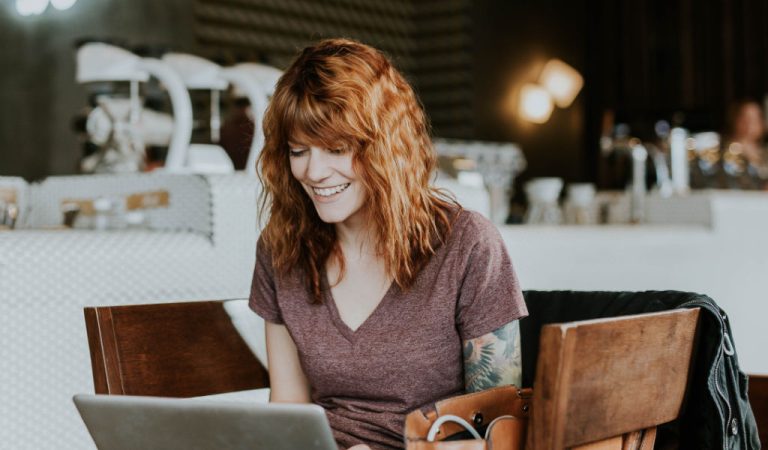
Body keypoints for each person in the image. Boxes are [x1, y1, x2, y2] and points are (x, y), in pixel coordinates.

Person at [249, 38, 527, 450]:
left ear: (385, 146)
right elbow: (288, 412)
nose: (314, 171)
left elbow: (503, 435)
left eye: (337, 149)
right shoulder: (281, 250)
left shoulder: (467, 245)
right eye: (298, 150)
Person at [723, 99, 768, 190]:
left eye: (755, 119)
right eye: (745, 118)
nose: (750, 124)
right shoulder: (725, 151)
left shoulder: (765, 152)